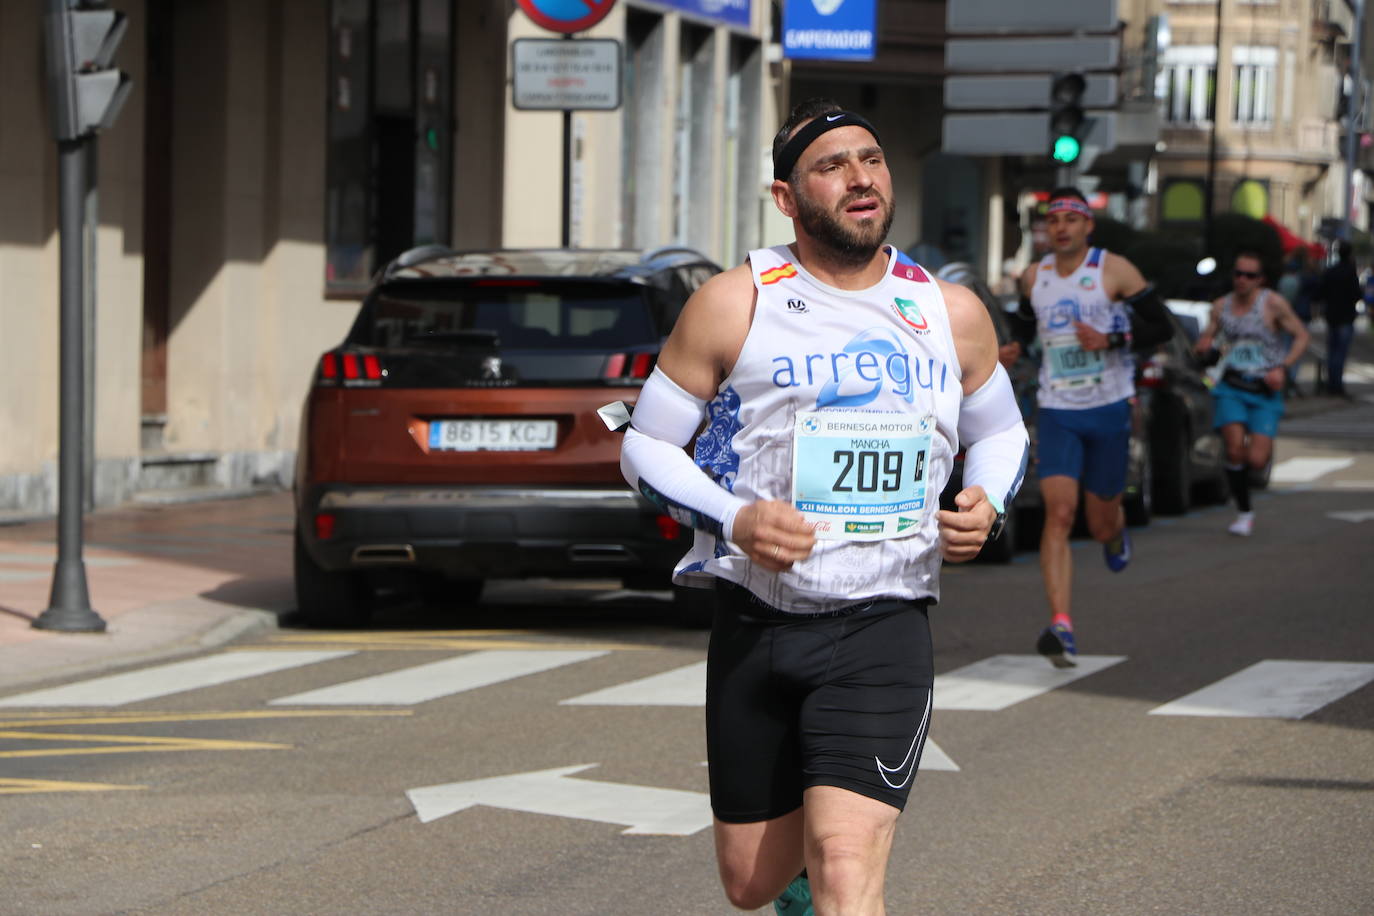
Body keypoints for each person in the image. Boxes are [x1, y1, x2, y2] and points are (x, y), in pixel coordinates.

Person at [618, 98, 1028, 915]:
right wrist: (734, 518)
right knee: (749, 881)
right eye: (832, 166)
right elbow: (645, 446)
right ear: (785, 197)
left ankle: (829, 855)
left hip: (883, 622)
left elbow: (1003, 430)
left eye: (870, 160)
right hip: (757, 621)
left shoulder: (948, 312)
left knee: (846, 867)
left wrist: (987, 502)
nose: (859, 178)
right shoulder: (738, 301)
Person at [1000, 188, 1173, 668]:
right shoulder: (1034, 276)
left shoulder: (1114, 270)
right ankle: (1062, 624)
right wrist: (1013, 347)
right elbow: (1026, 327)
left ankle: (1116, 535)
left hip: (1109, 407)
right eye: (1052, 220)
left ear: (1086, 226)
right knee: (1058, 513)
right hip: (1058, 411)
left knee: (1099, 523)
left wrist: (1112, 337)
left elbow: (1161, 327)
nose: (1060, 228)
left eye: (1070, 219)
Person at [1195, 250, 1310, 536]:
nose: (1242, 280)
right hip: (1232, 385)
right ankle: (1243, 511)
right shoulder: (1221, 306)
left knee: (1257, 460)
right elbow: (1208, 337)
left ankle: (1239, 478)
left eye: (1250, 275)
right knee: (1234, 448)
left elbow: (1302, 335)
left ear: (1260, 279)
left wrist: (1283, 367)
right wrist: (1205, 345)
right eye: (1238, 274)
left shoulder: (1272, 304)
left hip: (1264, 389)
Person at [1315, 240, 1360, 397]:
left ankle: (1332, 383)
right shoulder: (1349, 272)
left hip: (1332, 316)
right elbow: (1356, 294)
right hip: (1345, 317)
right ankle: (1336, 385)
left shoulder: (1330, 271)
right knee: (1339, 352)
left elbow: (1320, 293)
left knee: (1332, 351)